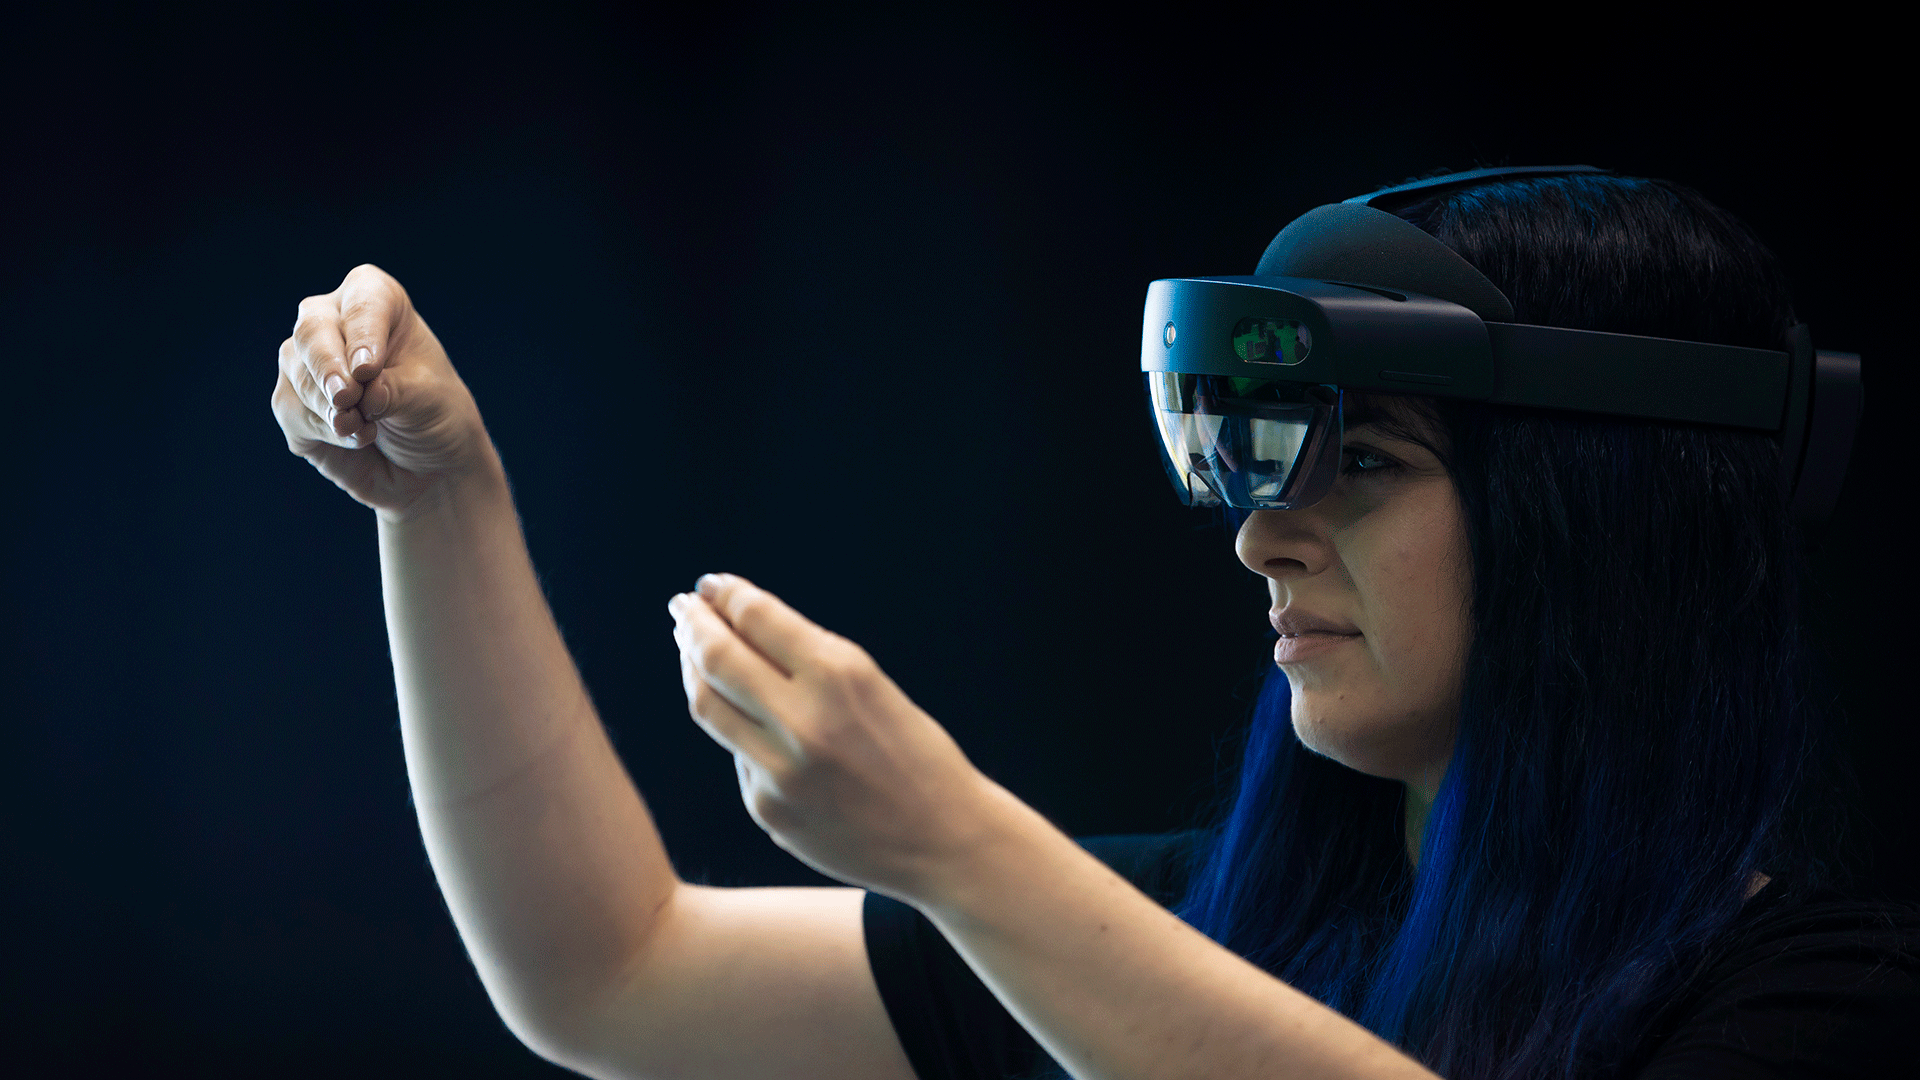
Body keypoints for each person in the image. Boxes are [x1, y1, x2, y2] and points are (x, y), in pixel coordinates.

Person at [270, 171, 1919, 1080]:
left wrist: (960, 849)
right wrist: (442, 503)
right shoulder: (1203, 937)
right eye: (1264, 461)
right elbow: (606, 970)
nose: (1264, 533)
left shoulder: (1822, 1005)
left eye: (1368, 465)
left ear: (1603, 535)